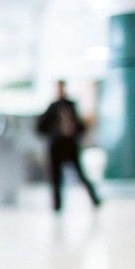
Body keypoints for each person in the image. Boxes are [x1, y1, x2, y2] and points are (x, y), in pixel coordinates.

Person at [36, 79, 101, 212]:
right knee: (55, 177)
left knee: (81, 174)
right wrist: (53, 133)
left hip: (70, 145)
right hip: (56, 145)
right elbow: (40, 126)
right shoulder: (52, 107)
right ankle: (57, 204)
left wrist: (78, 134)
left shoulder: (71, 105)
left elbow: (79, 124)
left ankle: (94, 199)